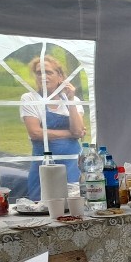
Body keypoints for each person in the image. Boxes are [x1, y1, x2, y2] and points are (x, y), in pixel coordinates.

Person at [20, 55, 85, 200]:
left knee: (73, 203)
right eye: (39, 73)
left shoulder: (74, 101)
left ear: (60, 76)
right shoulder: (29, 98)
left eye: (48, 72)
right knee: (42, 204)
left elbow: (78, 131)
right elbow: (36, 133)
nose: (43, 77)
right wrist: (70, 134)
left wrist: (71, 101)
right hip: (43, 164)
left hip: (71, 163)